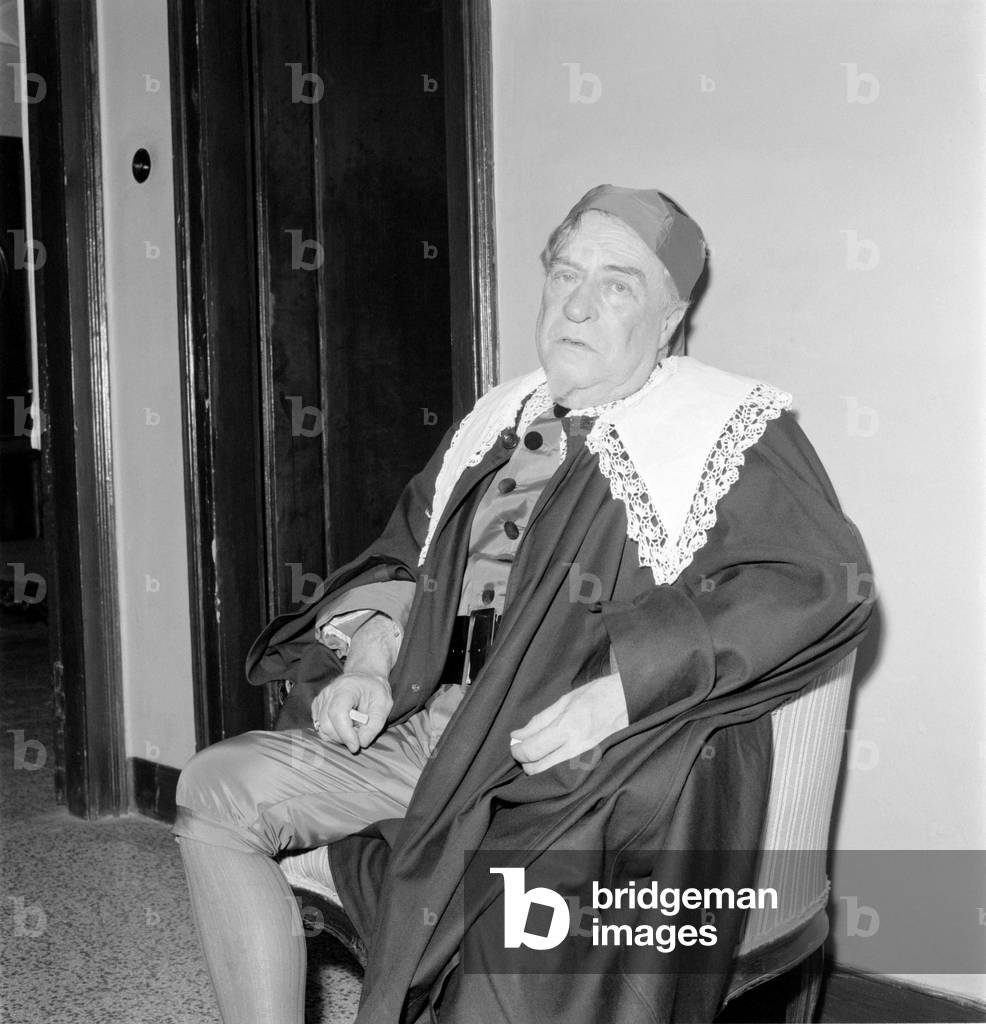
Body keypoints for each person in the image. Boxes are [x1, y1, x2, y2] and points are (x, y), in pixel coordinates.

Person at [173, 184, 872, 1024]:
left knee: (522, 943)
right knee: (216, 791)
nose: (577, 305)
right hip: (428, 721)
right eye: (565, 274)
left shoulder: (725, 429)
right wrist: (368, 655)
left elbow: (818, 580)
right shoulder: (500, 416)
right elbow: (408, 549)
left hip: (563, 763)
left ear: (671, 315)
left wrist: (617, 693)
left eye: (616, 285)